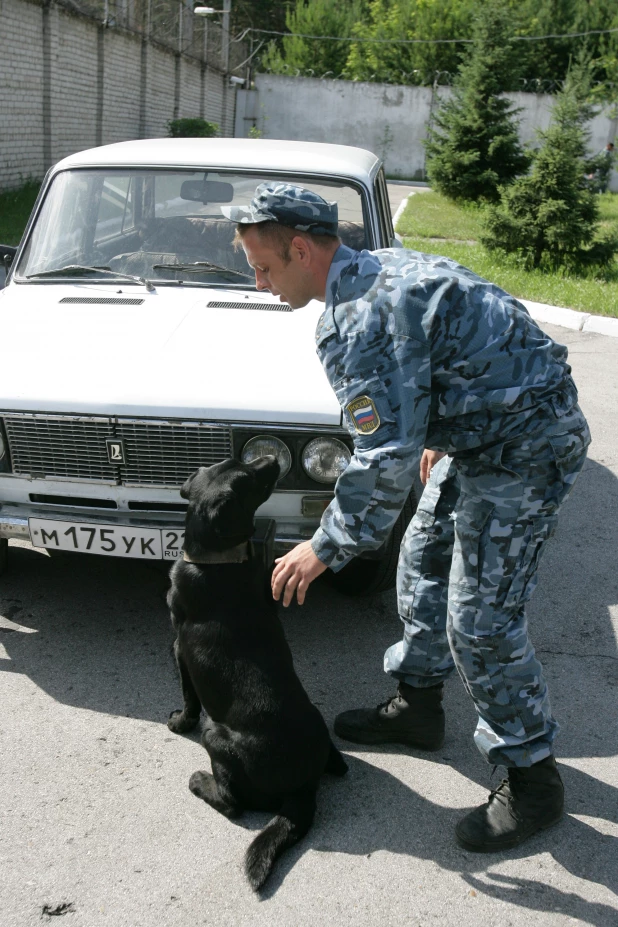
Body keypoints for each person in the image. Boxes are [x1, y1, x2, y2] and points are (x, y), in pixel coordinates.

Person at [225, 182, 591, 853]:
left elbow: (380, 458)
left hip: (526, 443)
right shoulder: (379, 265)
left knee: (481, 619)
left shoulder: (357, 318)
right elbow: (440, 357)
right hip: (485, 428)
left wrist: (325, 546)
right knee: (423, 551)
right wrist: (435, 425)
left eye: (265, 266)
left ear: (302, 249)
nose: (259, 282)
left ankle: (533, 777)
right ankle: (418, 704)